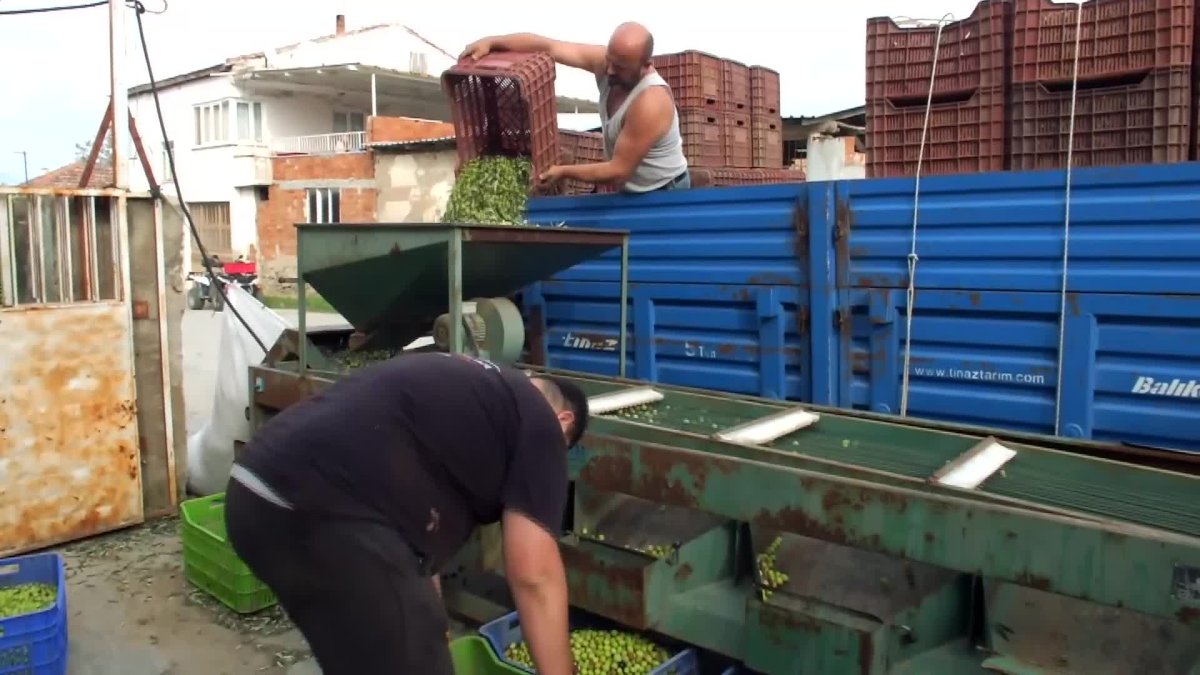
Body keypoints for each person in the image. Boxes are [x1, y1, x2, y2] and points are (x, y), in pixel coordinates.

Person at [222, 352, 589, 675]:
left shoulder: (472, 386)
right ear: (564, 421)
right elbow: (534, 575)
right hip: (324, 509)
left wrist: (429, 626)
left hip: (253, 496)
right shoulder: (542, 423)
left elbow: (413, 552)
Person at [462, 22, 691, 194]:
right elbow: (549, 46)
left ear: (645, 66)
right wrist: (493, 42)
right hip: (631, 188)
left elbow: (619, 170)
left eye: (619, 67)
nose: (609, 70)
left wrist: (563, 171)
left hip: (664, 190)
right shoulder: (607, 64)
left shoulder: (650, 101)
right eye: (609, 60)